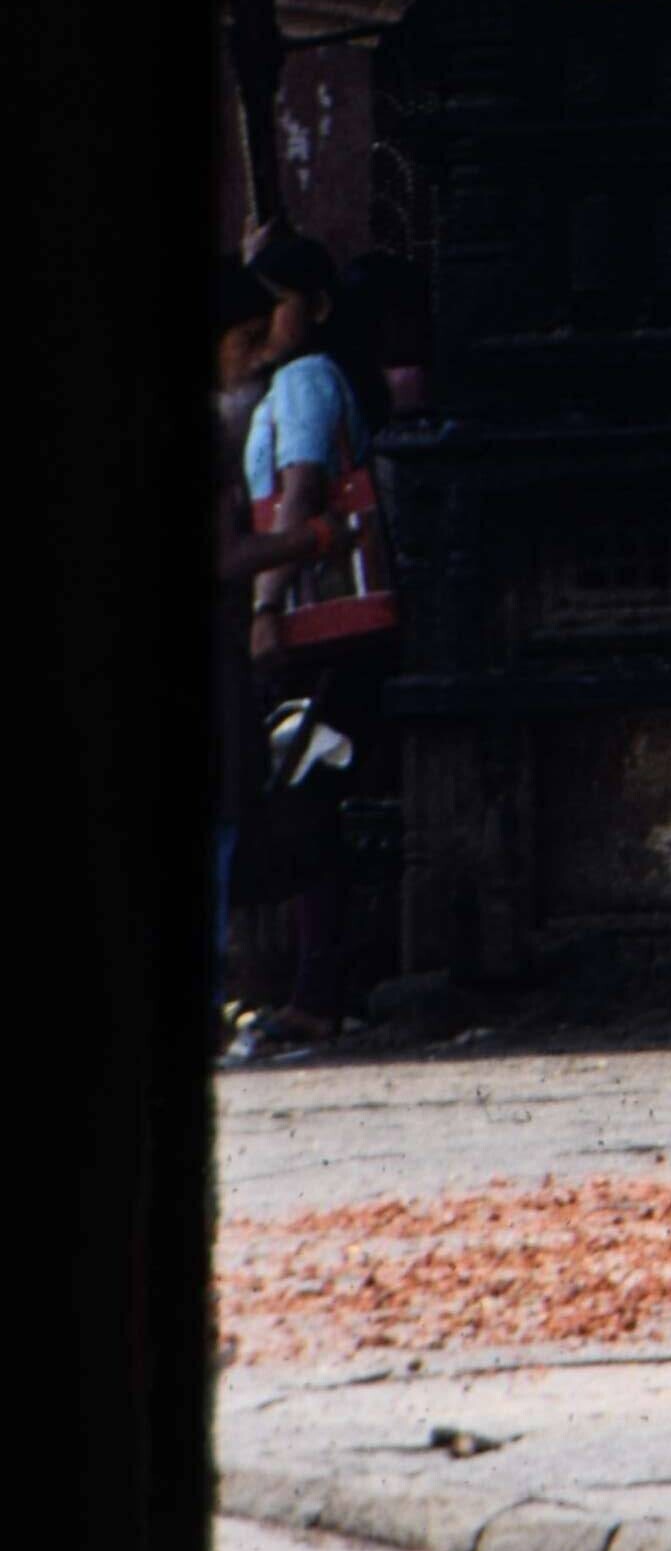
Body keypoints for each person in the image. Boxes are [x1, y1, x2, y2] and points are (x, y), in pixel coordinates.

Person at [215, 243, 365, 1057]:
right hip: (301, 607)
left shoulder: (305, 380)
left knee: (302, 796)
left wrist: (266, 606)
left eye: (277, 305)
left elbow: (299, 494)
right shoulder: (278, 386)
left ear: (318, 308)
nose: (265, 327)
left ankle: (314, 992)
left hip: (309, 613)